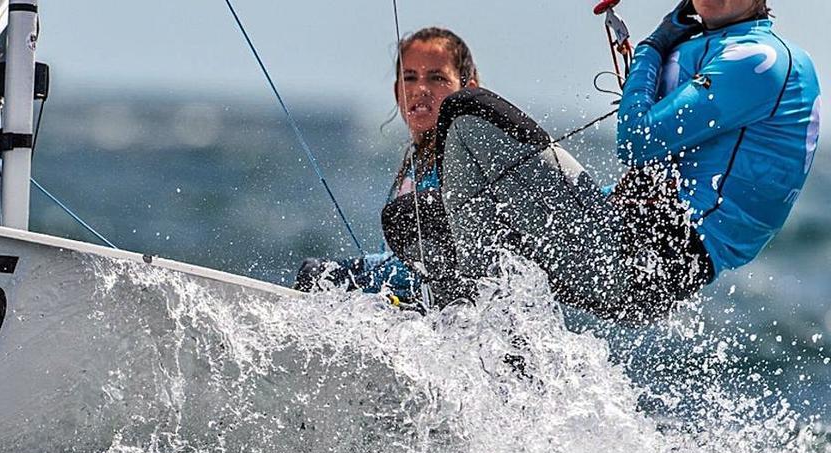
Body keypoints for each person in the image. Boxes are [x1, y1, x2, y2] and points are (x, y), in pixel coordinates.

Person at [381, 0, 820, 324]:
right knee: (414, 218)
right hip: (614, 237)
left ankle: (483, 327)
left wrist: (652, 45)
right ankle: (466, 324)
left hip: (643, 259)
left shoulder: (760, 59)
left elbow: (637, 141)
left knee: (467, 108)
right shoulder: (709, 44)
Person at [294, 28, 480, 305]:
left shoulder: (463, 161)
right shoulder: (416, 163)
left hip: (458, 319)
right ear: (397, 91)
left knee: (315, 275)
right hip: (414, 310)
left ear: (468, 90)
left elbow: (430, 267)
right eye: (410, 77)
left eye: (437, 78)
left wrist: (350, 274)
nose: (420, 89)